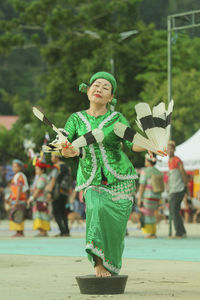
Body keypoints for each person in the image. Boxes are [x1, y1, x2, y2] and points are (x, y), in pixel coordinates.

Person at [61, 71, 148, 277]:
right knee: (96, 208)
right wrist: (66, 150)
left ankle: (111, 264)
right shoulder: (76, 119)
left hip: (121, 178)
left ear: (111, 98)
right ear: (88, 90)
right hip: (91, 178)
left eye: (105, 87)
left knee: (115, 226)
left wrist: (150, 145)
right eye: (96, 85)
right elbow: (64, 143)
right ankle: (98, 263)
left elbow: (131, 142)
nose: (99, 89)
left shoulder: (116, 118)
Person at [137, 153, 164, 238]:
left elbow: (142, 185)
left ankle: (149, 233)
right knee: (151, 214)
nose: (145, 161)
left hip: (147, 196)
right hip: (156, 197)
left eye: (145, 160)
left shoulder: (145, 171)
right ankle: (153, 232)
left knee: (147, 214)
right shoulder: (158, 172)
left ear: (148, 161)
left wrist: (139, 199)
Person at [46, 153, 71, 237]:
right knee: (63, 212)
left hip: (57, 192)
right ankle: (66, 231)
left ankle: (62, 231)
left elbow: (53, 180)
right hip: (65, 191)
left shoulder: (57, 167)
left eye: (52, 156)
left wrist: (49, 192)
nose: (51, 158)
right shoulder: (66, 167)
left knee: (56, 211)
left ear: (57, 157)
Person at [167, 140, 188, 238]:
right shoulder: (169, 161)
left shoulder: (177, 160)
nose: (169, 150)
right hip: (173, 189)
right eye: (168, 148)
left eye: (171, 148)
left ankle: (179, 233)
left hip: (179, 189)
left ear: (174, 149)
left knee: (174, 211)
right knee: (174, 210)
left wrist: (186, 186)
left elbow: (183, 172)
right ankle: (182, 231)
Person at [28, 160, 50, 237]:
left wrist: (32, 197)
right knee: (40, 215)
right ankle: (42, 231)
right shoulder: (41, 177)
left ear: (42, 170)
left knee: (40, 215)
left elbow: (39, 189)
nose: (36, 171)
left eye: (37, 169)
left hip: (40, 199)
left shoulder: (42, 178)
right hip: (40, 200)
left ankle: (43, 231)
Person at [8, 159, 29, 237]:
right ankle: (18, 231)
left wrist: (16, 200)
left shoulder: (20, 176)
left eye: (16, 167)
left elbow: (19, 188)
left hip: (20, 199)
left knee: (18, 214)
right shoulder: (15, 176)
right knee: (15, 214)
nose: (14, 168)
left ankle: (20, 232)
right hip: (15, 199)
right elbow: (13, 189)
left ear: (20, 167)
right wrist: (9, 198)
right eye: (13, 167)